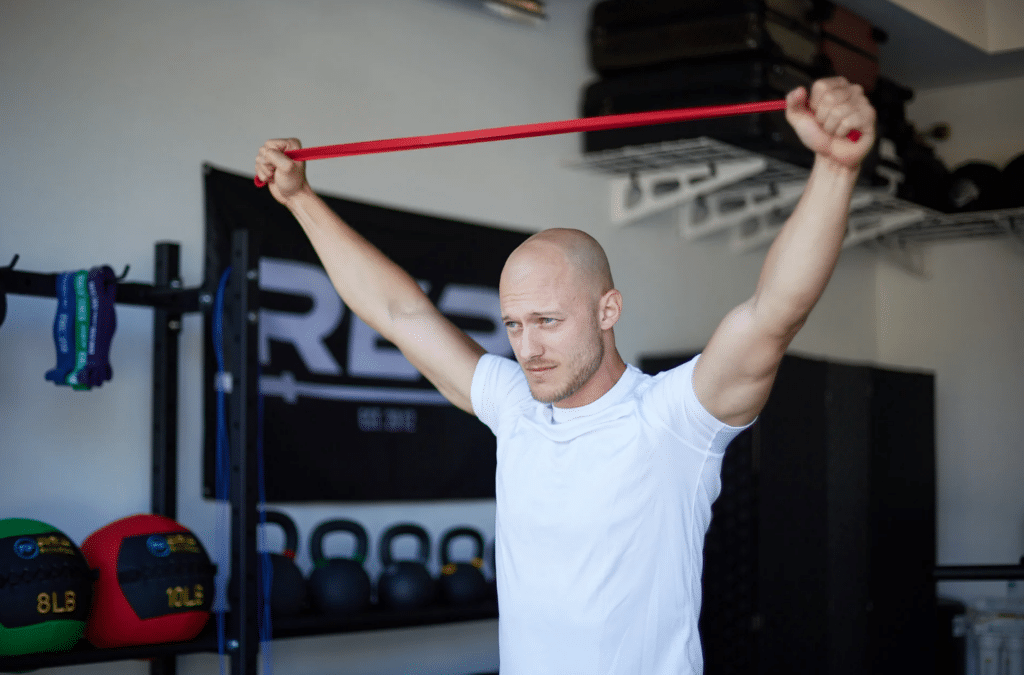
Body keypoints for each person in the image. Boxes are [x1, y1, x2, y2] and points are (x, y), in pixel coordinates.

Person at [255, 76, 876, 675]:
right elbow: (399, 311)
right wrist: (300, 199)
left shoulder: (672, 421)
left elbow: (774, 313)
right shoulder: (515, 406)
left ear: (608, 310)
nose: (527, 347)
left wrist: (836, 169)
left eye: (548, 320)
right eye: (514, 325)